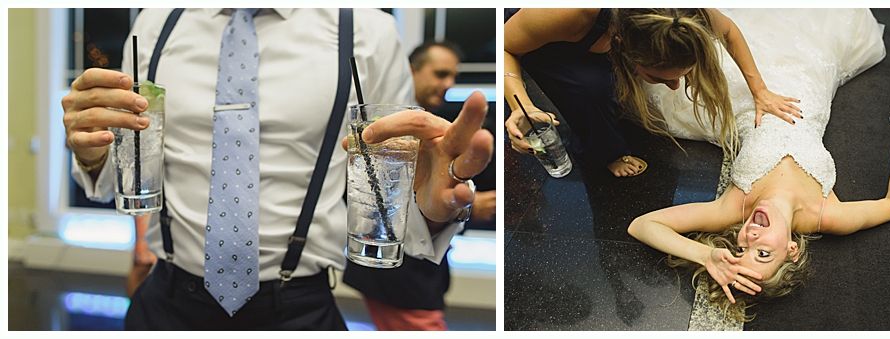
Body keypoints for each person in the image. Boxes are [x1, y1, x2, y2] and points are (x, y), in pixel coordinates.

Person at [63, 8, 493, 330]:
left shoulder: (366, 28)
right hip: (166, 304)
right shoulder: (158, 21)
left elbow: (395, 187)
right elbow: (125, 166)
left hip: (298, 311)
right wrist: (90, 151)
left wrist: (427, 205)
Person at [626, 9, 890, 322]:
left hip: (742, 92)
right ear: (792, 249)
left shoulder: (735, 207)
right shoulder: (826, 215)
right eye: (763, 253)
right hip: (806, 90)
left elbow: (641, 225)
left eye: (740, 251)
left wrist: (706, 255)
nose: (750, 239)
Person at [503, 8, 801, 178]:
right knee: (592, 90)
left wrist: (760, 90)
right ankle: (606, 153)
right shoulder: (570, 13)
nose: (675, 86)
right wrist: (522, 106)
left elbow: (729, 31)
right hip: (532, 39)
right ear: (622, 45)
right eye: (659, 77)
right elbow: (505, 46)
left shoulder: (684, 11)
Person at [343, 40, 495, 331]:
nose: (448, 84)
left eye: (453, 76)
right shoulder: (380, 129)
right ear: (411, 71)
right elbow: (367, 199)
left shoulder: (443, 124)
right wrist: (470, 209)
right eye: (440, 74)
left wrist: (460, 207)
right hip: (399, 280)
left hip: (423, 273)